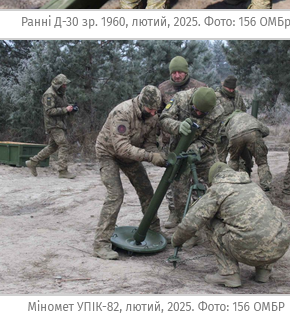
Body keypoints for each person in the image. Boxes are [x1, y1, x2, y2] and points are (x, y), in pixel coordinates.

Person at [172, 163, 290, 288]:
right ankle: (263, 271)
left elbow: (191, 223)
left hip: (247, 249)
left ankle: (228, 274)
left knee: (210, 221)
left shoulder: (218, 190)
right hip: (277, 248)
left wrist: (176, 240)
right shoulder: (253, 186)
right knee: (269, 217)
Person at [93, 86, 168, 260]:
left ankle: (155, 230)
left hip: (129, 157)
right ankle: (101, 243)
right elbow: (121, 148)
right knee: (115, 194)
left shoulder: (153, 116)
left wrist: (157, 155)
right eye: (150, 109)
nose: (153, 113)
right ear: (141, 103)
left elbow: (149, 143)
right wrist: (150, 157)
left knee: (147, 191)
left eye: (155, 110)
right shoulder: (122, 112)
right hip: (108, 153)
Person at [159, 87, 224, 229]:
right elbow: (163, 119)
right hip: (179, 149)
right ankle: (181, 219)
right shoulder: (180, 99)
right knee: (179, 188)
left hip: (204, 152)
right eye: (196, 109)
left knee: (218, 182)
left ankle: (217, 219)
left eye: (203, 113)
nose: (199, 113)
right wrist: (178, 126)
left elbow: (209, 140)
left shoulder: (218, 111)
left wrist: (194, 150)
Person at [26, 74, 77, 179]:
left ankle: (33, 162)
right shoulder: (49, 94)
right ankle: (62, 170)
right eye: (64, 85)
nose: (65, 86)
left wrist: (70, 109)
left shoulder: (60, 94)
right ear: (59, 85)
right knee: (64, 145)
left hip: (59, 124)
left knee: (52, 147)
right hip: (53, 125)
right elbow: (49, 111)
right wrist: (65, 110)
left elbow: (61, 107)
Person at [220, 112, 272, 191]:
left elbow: (228, 137)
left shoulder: (228, 122)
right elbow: (266, 131)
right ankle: (266, 186)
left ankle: (230, 183)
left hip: (235, 136)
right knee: (262, 163)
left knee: (233, 159)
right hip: (253, 133)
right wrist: (258, 138)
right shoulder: (249, 117)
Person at [214, 75, 248, 163]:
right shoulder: (216, 97)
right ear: (224, 86)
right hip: (222, 134)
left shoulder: (237, 96)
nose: (231, 91)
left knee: (240, 159)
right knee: (220, 160)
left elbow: (243, 110)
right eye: (229, 89)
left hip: (237, 133)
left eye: (233, 89)